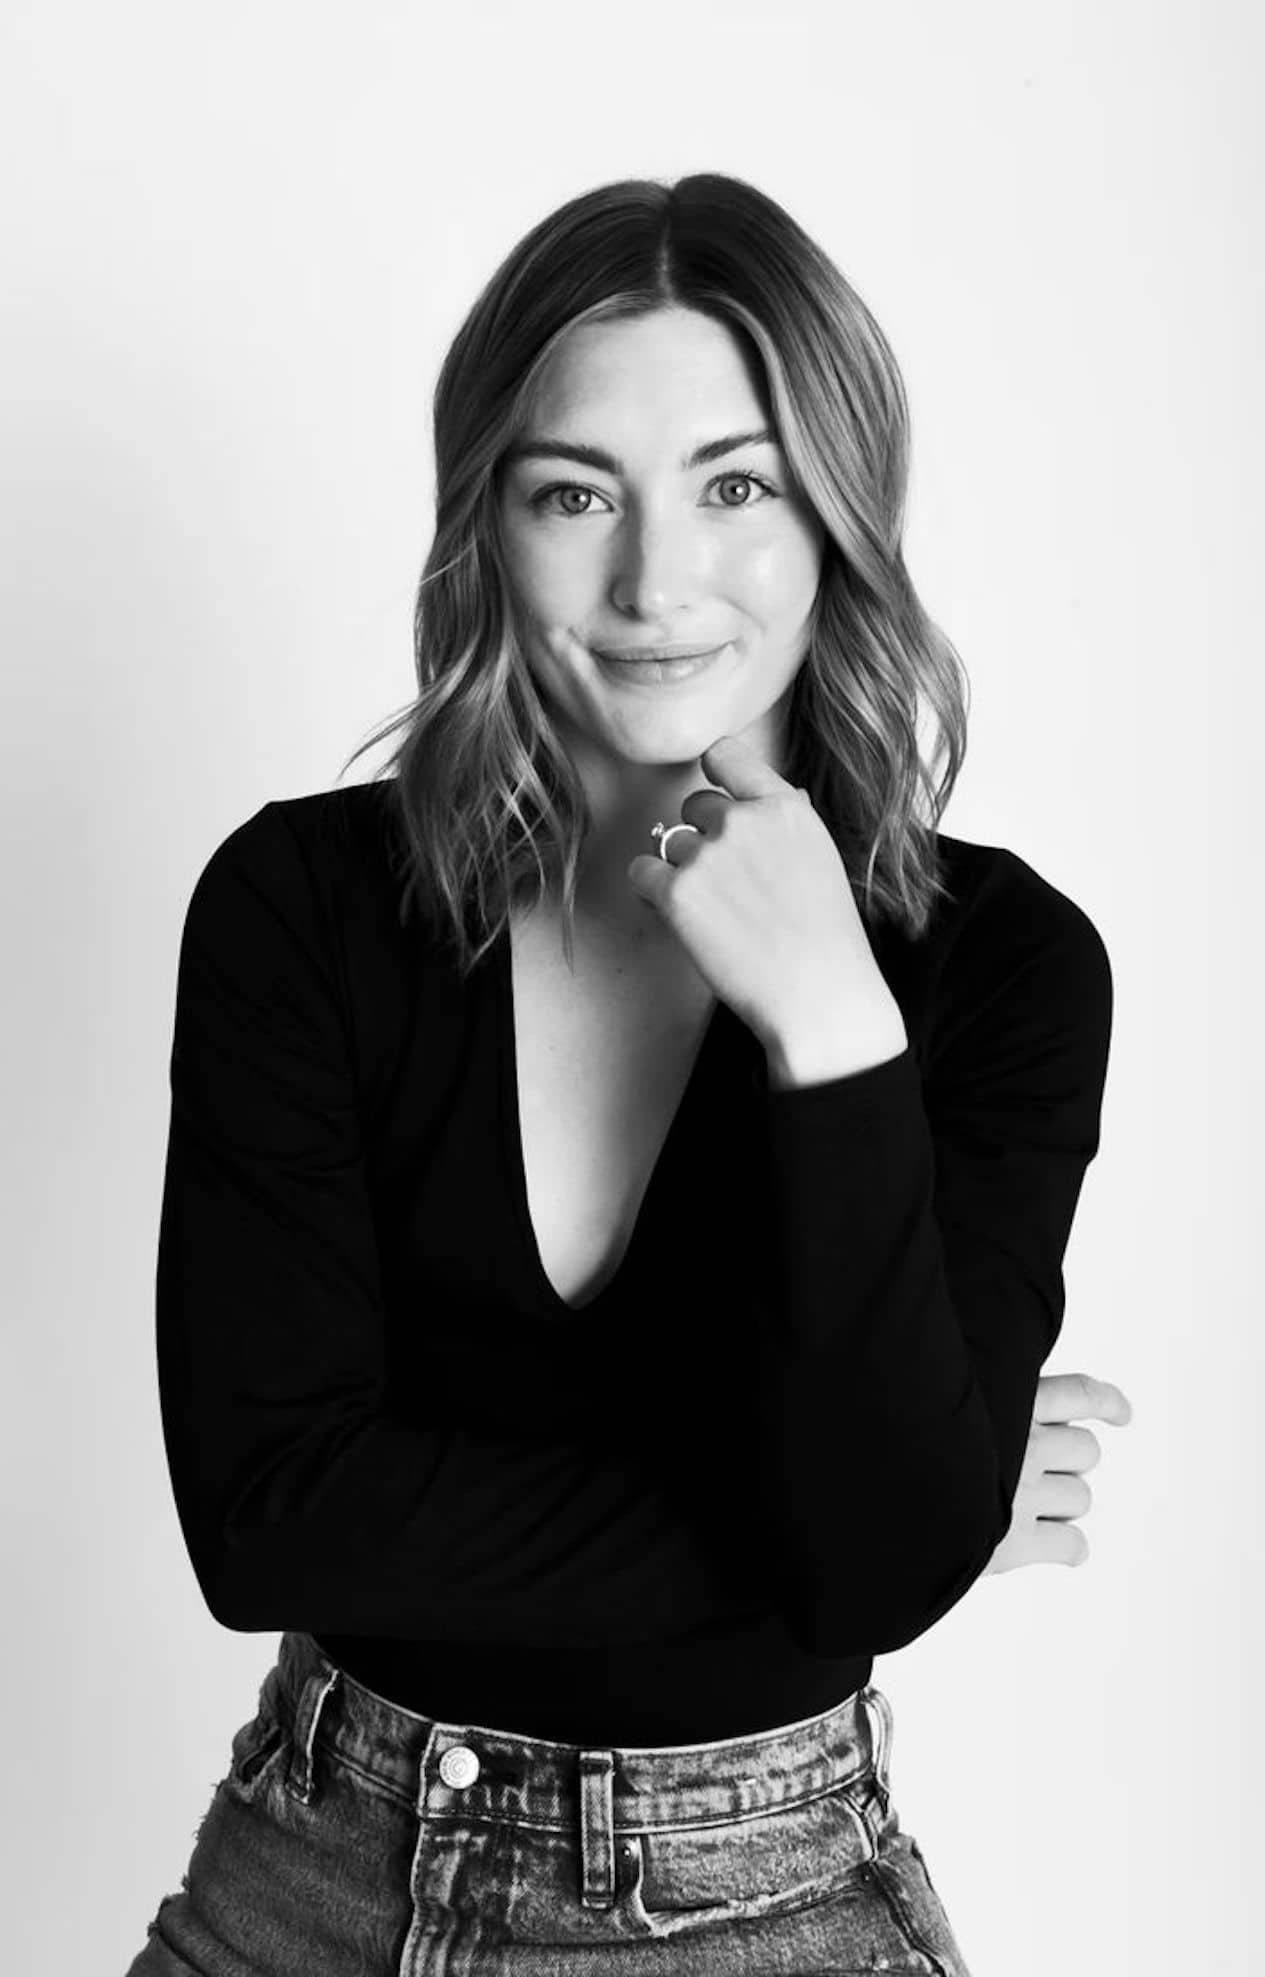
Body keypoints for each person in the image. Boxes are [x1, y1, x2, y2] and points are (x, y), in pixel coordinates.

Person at [127, 173, 1130, 1975]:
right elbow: (268, 1521)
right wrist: (897, 1500)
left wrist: (831, 1026)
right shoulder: (298, 907)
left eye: (734, 485)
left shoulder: (999, 974)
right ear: (487, 526)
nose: (657, 580)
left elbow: (881, 1552)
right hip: (311, 1870)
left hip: (767, 1905)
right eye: (575, 491)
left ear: (838, 512)